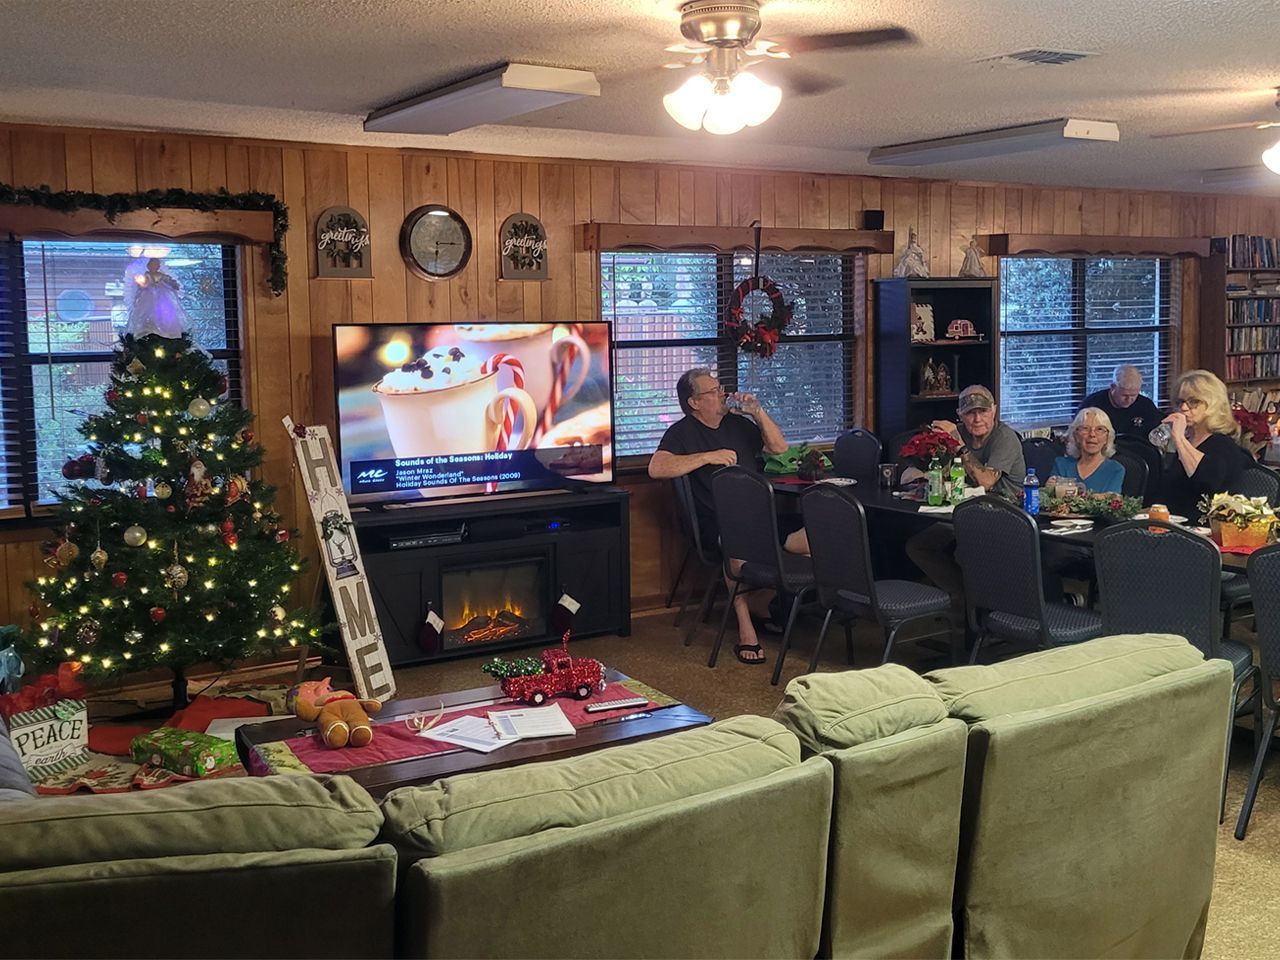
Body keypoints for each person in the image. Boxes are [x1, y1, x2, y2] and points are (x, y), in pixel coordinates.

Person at [648, 368, 806, 664]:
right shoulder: (682, 433)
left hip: (762, 517)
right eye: (713, 391)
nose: (722, 393)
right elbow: (656, 468)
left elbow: (779, 448)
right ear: (694, 402)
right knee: (737, 547)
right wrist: (708, 457)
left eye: (721, 388)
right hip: (716, 524)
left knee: (820, 539)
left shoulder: (737, 424)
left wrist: (757, 412)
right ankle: (746, 627)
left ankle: (762, 601)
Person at [905, 385, 1027, 615]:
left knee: (965, 550)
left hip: (1005, 512)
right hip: (962, 512)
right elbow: (943, 473)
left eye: (983, 411)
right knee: (919, 546)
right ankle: (965, 597)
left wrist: (959, 446)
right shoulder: (958, 432)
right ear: (960, 415)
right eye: (970, 413)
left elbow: (985, 482)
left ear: (994, 411)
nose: (977, 418)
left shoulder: (1005, 437)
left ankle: (982, 606)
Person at [1161, 369, 1244, 520]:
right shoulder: (1187, 442)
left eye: (1193, 402)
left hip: (1204, 525)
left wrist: (1179, 439)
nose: (1184, 408)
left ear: (1213, 405)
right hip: (1171, 521)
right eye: (1180, 402)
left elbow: (1205, 481)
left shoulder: (1222, 444)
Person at [1048, 407, 1125, 494]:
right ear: (1076, 436)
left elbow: (1111, 502)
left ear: (1107, 438)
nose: (1092, 434)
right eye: (1085, 428)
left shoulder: (1115, 469)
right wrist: (1049, 490)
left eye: (1099, 429)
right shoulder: (1061, 465)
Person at [1080, 365, 1162, 439]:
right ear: (1113, 387)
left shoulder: (1146, 405)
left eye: (1133, 395)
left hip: (1138, 452)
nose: (1129, 400)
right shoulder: (1093, 404)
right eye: (1124, 395)